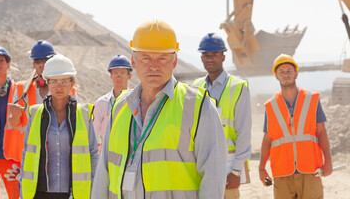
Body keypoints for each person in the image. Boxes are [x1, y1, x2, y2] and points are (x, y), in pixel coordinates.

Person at [92, 19, 227, 199]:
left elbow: (213, 179)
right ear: (134, 60)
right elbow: (104, 173)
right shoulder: (119, 107)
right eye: (146, 58)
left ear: (174, 61)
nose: (154, 66)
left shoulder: (198, 106)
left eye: (162, 58)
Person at [20, 54, 98, 199]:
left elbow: (93, 155)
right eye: (54, 81)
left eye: (64, 81)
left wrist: (94, 191)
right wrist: (22, 194)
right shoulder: (36, 114)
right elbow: (27, 154)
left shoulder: (83, 115)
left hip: (75, 193)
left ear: (72, 82)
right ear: (47, 82)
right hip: (40, 193)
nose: (59, 86)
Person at [258, 54, 332, 199]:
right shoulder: (270, 106)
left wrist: (328, 160)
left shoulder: (312, 99)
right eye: (282, 71)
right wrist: (261, 168)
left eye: (289, 70)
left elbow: (322, 132)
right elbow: (267, 139)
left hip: (310, 172)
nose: (286, 74)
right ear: (276, 76)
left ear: (296, 73)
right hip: (282, 174)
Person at [193, 33, 252, 199]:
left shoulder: (238, 87)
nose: (209, 59)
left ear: (223, 57)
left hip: (228, 168)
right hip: (202, 166)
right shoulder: (196, 87)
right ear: (201, 57)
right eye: (205, 55)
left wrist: (236, 170)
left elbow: (244, 132)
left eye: (214, 55)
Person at [8, 40, 77, 163]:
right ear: (33, 64)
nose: (41, 64)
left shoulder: (67, 88)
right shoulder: (21, 89)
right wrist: (15, 115)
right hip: (31, 153)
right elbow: (14, 124)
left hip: (59, 153)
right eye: (37, 61)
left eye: (45, 60)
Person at [0, 45, 20, 199]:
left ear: (8, 64)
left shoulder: (17, 90)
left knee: (16, 195)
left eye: (2, 60)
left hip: (10, 156)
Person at [93, 54, 132, 150]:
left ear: (129, 76)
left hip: (129, 155)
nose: (119, 77)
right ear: (111, 76)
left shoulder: (136, 101)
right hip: (107, 155)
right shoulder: (101, 103)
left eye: (122, 73)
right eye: (115, 73)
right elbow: (93, 133)